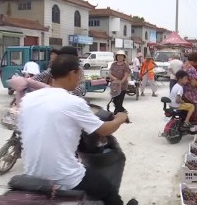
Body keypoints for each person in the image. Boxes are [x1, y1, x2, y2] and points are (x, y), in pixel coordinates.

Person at [18, 54, 136, 205]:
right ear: (73, 73)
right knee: (108, 190)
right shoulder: (73, 102)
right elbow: (104, 130)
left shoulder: (28, 99)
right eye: (80, 74)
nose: (80, 78)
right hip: (65, 177)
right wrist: (120, 117)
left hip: (31, 174)